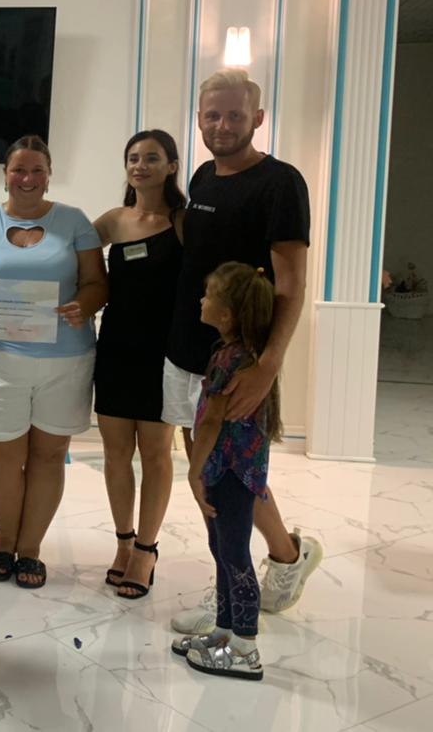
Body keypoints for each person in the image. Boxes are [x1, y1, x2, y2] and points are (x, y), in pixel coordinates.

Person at [166, 69, 322, 635]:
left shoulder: (281, 183)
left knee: (228, 481)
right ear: (199, 119)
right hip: (189, 351)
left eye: (235, 115)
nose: (222, 125)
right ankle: (286, 556)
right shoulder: (203, 176)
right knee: (214, 474)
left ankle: (232, 593)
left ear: (257, 118)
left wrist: (267, 365)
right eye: (212, 115)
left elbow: (290, 285)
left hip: (240, 363)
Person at [0, 135, 108, 588]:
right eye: (19, 169)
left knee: (49, 456)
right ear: (5, 175)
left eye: (37, 170)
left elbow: (97, 283)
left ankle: (31, 549)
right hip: (0, 360)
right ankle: (6, 542)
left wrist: (85, 305)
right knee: (1, 456)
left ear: (49, 175)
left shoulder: (74, 221)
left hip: (67, 359)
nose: (27, 178)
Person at [172, 262, 282, 681]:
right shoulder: (241, 355)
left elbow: (212, 422)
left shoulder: (230, 360)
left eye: (208, 295)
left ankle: (245, 646)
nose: (201, 300)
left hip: (228, 469)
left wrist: (194, 470)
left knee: (234, 553)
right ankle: (224, 630)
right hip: (236, 468)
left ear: (226, 314)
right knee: (221, 547)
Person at [92, 130, 185, 599]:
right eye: (133, 158)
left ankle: (147, 549)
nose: (140, 165)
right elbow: (67, 257)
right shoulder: (113, 220)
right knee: (114, 454)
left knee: (155, 454)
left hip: (163, 354)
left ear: (172, 166)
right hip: (115, 348)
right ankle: (124, 542)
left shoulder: (184, 222)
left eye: (152, 158)